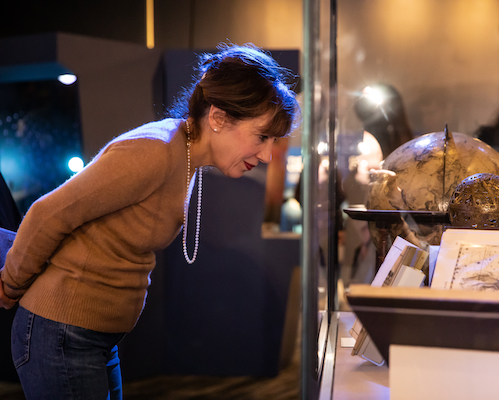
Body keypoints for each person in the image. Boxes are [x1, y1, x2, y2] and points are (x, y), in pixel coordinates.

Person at [0, 43, 300, 400]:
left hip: (93, 336)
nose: (267, 155)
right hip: (64, 334)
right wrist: (10, 285)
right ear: (218, 118)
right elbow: (48, 213)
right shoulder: (155, 150)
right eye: (261, 136)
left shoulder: (186, 155)